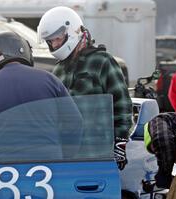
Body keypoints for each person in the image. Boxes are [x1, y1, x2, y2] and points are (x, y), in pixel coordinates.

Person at [37, 6, 132, 170]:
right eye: (50, 41)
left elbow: (122, 105)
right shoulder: (58, 70)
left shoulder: (102, 61)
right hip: (67, 156)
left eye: (58, 38)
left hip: (98, 153)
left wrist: (120, 144)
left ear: (73, 31)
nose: (54, 44)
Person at [0, 31, 82, 161]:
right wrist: (64, 155)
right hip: (50, 166)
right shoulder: (49, 80)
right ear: (24, 49)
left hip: (1, 171)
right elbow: (75, 122)